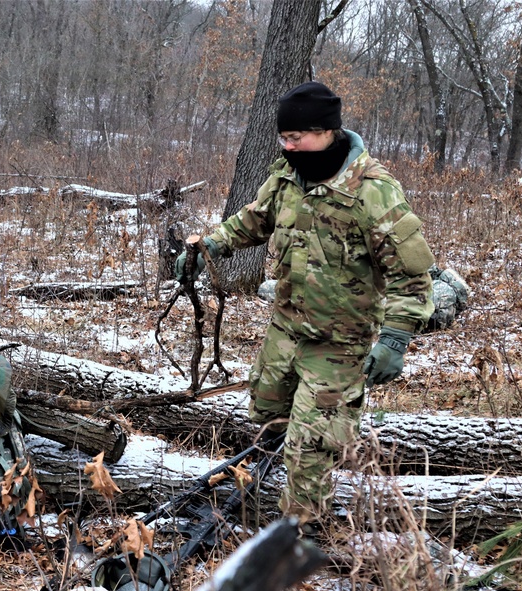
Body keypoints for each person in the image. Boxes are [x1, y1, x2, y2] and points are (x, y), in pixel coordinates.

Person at [175, 81, 435, 529]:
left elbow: (410, 275)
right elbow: (256, 218)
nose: (289, 146)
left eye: (298, 138)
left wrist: (395, 338)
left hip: (339, 343)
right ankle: (265, 495)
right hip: (286, 328)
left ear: (328, 131)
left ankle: (297, 534)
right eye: (285, 138)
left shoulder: (373, 191)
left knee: (311, 444)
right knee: (265, 416)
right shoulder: (288, 174)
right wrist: (210, 246)